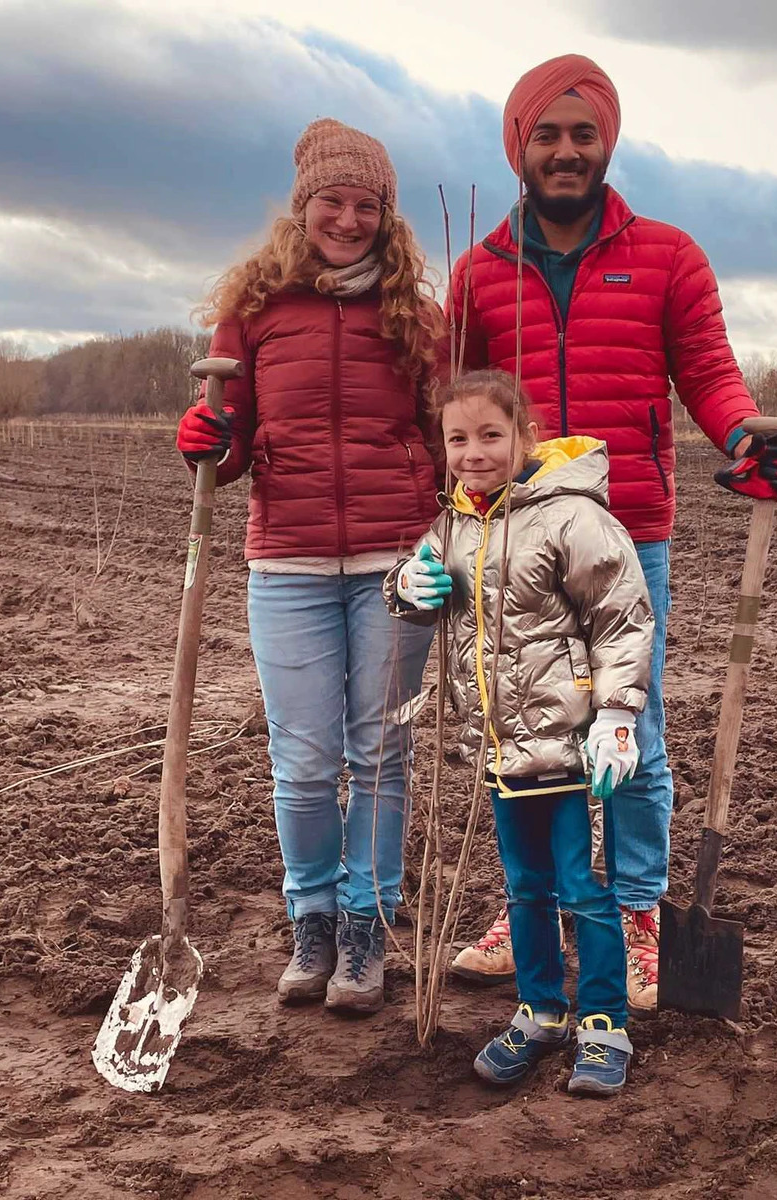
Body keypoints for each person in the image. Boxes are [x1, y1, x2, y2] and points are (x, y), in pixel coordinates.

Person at [447, 55, 777, 1011]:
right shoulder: (481, 272)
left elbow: (707, 371)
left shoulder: (668, 256)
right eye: (547, 136)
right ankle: (535, 908)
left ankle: (640, 909)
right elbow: (445, 407)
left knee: (630, 731)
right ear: (518, 148)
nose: (566, 153)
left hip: (628, 533)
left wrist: (744, 436)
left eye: (583, 134)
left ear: (608, 141)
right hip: (513, 540)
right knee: (527, 725)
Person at [176, 118, 444, 1014]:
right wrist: (206, 442)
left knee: (379, 753)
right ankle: (314, 921)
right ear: (304, 207)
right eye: (334, 200)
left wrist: (439, 531)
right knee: (301, 758)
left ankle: (367, 931)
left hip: (393, 565)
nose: (350, 218)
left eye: (368, 204)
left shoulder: (416, 317)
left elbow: (446, 438)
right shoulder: (253, 312)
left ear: (387, 215)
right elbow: (233, 448)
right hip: (285, 561)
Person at [386, 368, 653, 1095]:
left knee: (584, 889)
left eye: (491, 435)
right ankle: (540, 1010)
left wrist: (620, 720)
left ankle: (605, 1022)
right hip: (500, 749)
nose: (474, 451)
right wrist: (407, 586)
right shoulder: (455, 522)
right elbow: (420, 588)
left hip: (572, 746)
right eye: (458, 438)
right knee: (525, 887)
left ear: (525, 436)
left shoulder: (572, 517)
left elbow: (622, 619)